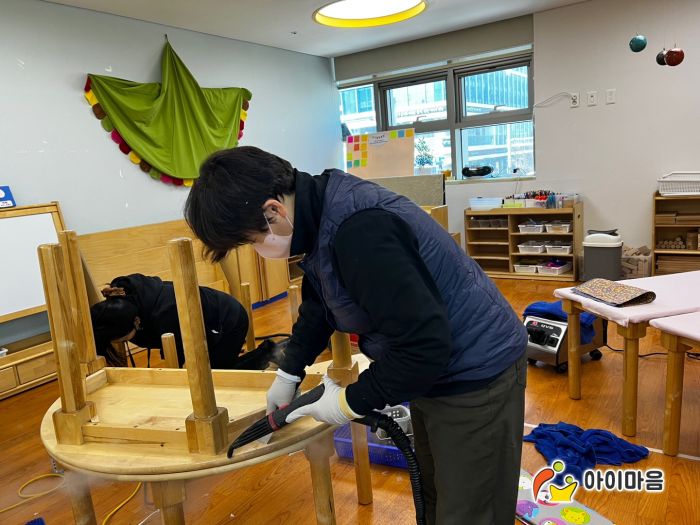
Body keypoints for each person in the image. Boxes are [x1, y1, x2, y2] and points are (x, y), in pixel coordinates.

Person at [184, 146, 527, 525]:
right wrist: (289, 372)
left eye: (251, 240)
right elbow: (321, 302)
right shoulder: (319, 213)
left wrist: (349, 402)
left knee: (470, 512)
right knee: (436, 495)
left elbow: (423, 347)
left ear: (273, 211)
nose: (256, 249)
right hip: (438, 373)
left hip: (477, 373)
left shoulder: (359, 231)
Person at [90, 273, 278, 370]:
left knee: (217, 376)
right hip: (203, 313)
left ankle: (268, 353)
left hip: (230, 318)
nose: (125, 343)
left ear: (137, 322)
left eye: (124, 340)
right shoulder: (122, 296)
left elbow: (187, 364)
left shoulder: (167, 316)